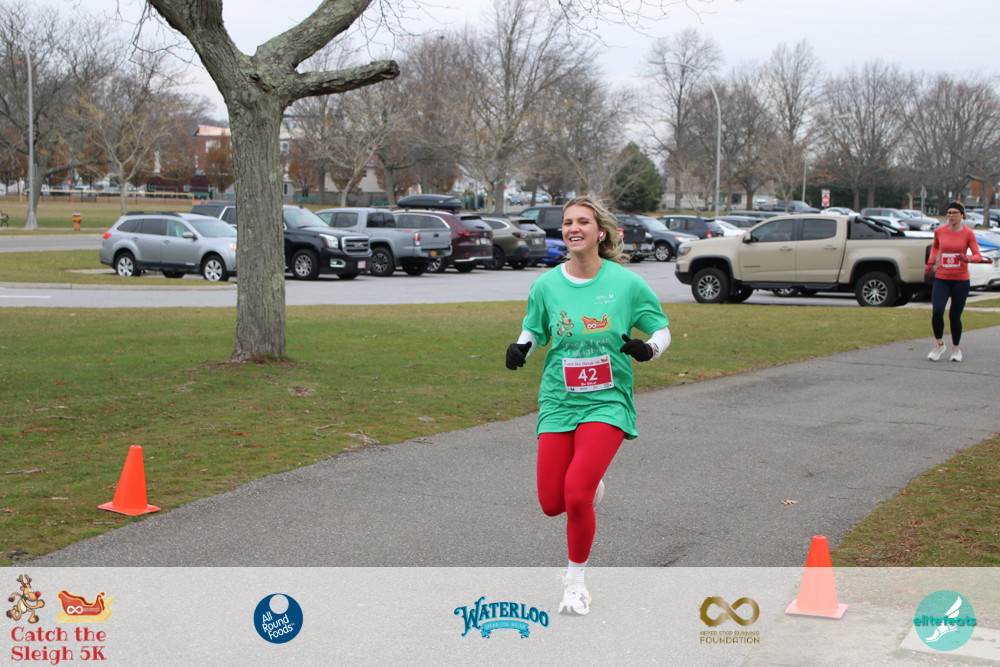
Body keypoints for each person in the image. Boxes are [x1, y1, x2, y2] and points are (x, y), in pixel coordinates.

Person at [505, 196, 671, 616]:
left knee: (575, 496)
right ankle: (590, 485)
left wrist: (648, 349)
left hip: (606, 399)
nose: (573, 228)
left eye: (583, 222)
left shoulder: (626, 284)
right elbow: (534, 328)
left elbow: (661, 328)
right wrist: (521, 347)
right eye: (567, 223)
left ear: (601, 233)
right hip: (559, 399)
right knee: (552, 502)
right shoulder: (546, 285)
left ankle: (576, 584)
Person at [926, 201, 981, 362]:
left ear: (961, 215)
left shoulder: (968, 233)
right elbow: (935, 247)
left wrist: (967, 258)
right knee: (937, 311)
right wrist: (931, 262)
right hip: (942, 278)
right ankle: (939, 344)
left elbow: (977, 255)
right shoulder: (940, 231)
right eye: (949, 213)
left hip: (960, 280)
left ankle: (956, 348)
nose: (951, 216)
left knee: (954, 316)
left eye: (955, 213)